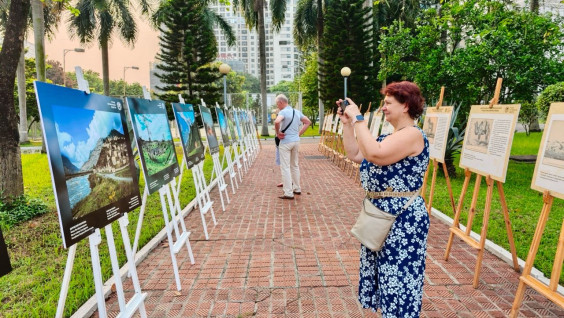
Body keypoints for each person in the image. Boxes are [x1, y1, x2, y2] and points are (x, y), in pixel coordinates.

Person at [336, 81, 429, 317]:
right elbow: (357, 154)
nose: (384, 107)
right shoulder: (389, 135)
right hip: (381, 218)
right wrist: (348, 125)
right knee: (386, 280)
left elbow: (375, 154)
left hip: (401, 222)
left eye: (388, 103)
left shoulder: (413, 135)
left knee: (399, 282)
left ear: (406, 105)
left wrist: (358, 118)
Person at [274, 94, 311, 199]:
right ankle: (297, 188)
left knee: (285, 167)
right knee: (294, 165)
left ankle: (288, 193)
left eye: (277, 104)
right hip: (296, 141)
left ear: (281, 102)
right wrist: (299, 133)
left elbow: (277, 121)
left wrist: (278, 133)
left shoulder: (283, 112)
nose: (278, 106)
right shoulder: (297, 111)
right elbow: (308, 122)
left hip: (285, 142)